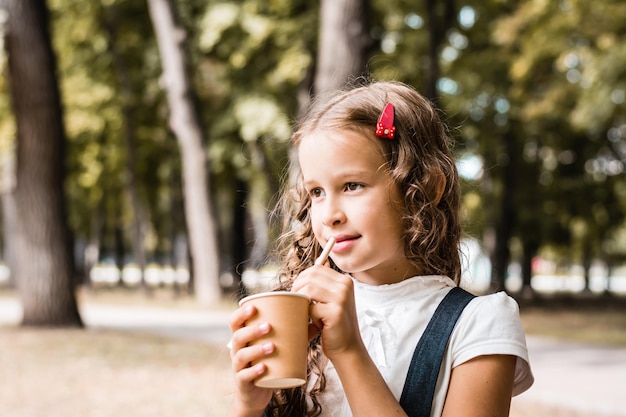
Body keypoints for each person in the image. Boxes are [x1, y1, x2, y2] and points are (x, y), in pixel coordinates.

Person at [228, 80, 533, 417]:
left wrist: (348, 351)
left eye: (352, 185)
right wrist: (249, 407)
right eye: (316, 192)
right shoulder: (302, 316)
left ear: (426, 188)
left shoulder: (479, 325)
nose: (330, 215)